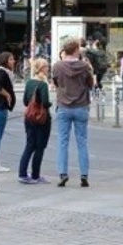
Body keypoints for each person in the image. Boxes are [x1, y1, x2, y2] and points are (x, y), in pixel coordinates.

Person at [51, 38, 95, 188]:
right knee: (82, 142)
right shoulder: (85, 66)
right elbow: (90, 84)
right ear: (76, 50)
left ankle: (63, 173)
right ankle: (84, 175)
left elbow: (56, 83)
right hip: (81, 106)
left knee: (63, 142)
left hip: (63, 106)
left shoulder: (57, 66)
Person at [18, 59, 52, 184]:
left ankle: (22, 173)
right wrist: (50, 103)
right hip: (41, 119)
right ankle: (35, 175)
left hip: (29, 118)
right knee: (40, 146)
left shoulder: (29, 82)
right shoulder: (43, 85)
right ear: (41, 68)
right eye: (46, 66)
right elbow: (45, 102)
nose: (48, 69)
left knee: (29, 145)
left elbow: (26, 101)